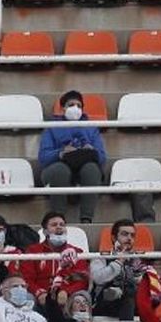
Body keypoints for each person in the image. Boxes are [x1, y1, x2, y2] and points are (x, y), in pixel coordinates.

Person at [38, 90, 106, 224]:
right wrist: (61, 152)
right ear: (63, 108)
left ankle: (86, 218)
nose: (76, 108)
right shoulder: (51, 127)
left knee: (92, 169)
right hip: (57, 169)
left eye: (79, 106)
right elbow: (43, 157)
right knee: (60, 170)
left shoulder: (91, 127)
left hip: (83, 168)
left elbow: (102, 157)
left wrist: (91, 150)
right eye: (71, 105)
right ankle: (58, 219)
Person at [90, 219, 146, 322]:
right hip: (105, 304)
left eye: (132, 236)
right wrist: (118, 262)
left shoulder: (137, 260)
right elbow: (98, 278)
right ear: (114, 237)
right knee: (123, 294)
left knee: (132, 295)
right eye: (125, 234)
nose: (129, 239)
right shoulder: (101, 257)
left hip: (128, 303)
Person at [21, 212, 90, 308]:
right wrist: (39, 292)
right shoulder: (33, 251)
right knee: (26, 298)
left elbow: (82, 280)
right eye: (54, 225)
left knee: (81, 297)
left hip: (67, 297)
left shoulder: (77, 252)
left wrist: (66, 291)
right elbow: (26, 279)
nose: (59, 227)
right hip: (40, 297)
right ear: (45, 231)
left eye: (62, 225)